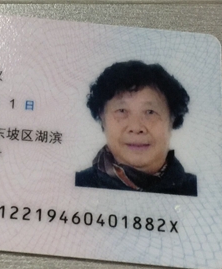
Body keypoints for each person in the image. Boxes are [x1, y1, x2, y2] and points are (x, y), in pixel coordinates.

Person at [75, 61, 197, 196]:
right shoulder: (78, 184)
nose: (136, 127)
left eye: (150, 112)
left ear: (172, 118)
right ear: (102, 117)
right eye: (122, 111)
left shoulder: (195, 190)